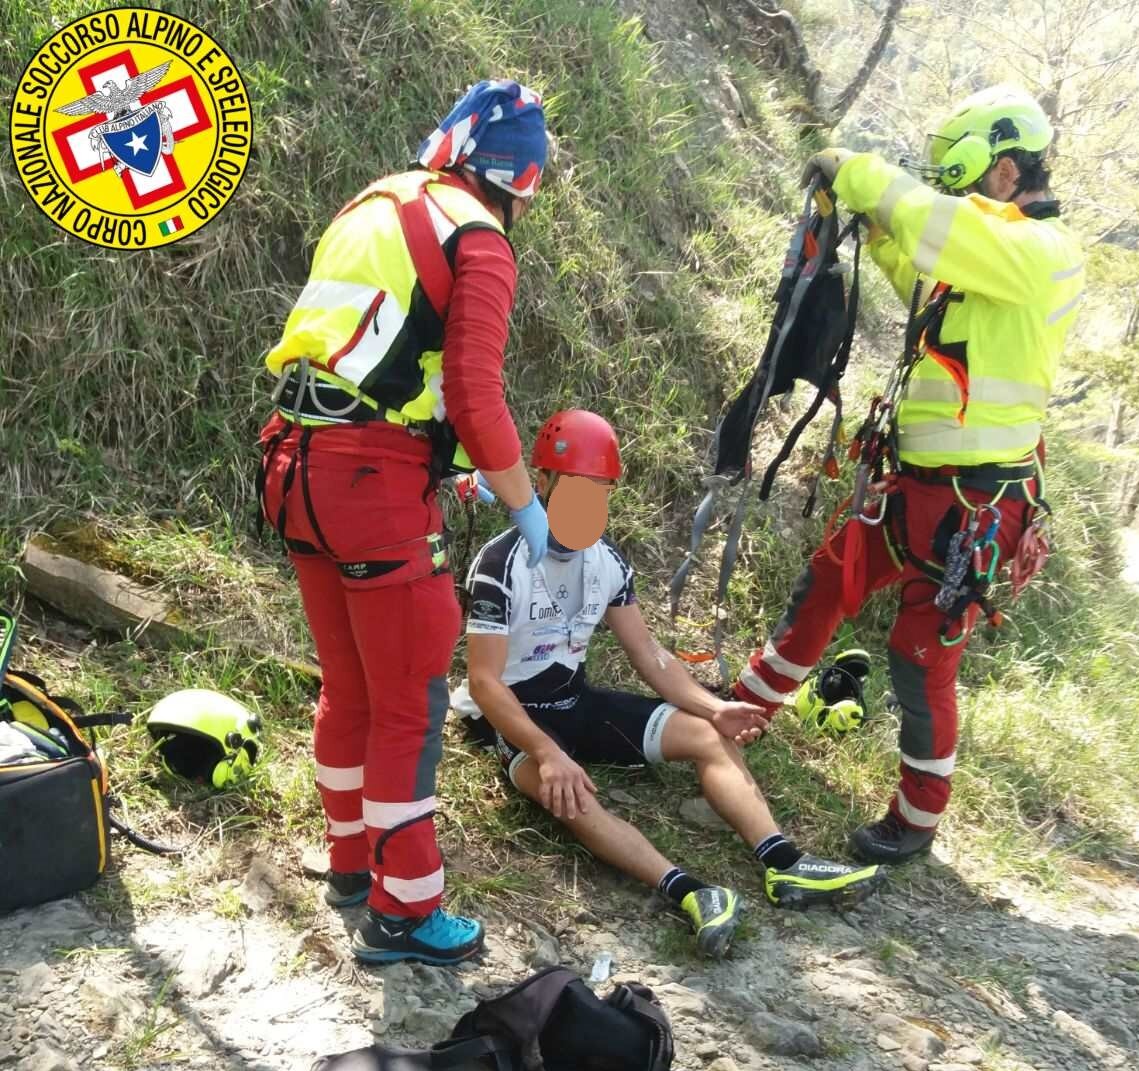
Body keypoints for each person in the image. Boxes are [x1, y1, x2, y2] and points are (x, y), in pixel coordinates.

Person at [734, 86, 1084, 863]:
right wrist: (873, 230)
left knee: (920, 654)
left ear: (1002, 172)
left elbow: (938, 227)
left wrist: (854, 173)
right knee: (825, 586)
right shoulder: (989, 257)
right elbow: (926, 269)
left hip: (977, 506)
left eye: (965, 187)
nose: (960, 203)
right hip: (916, 484)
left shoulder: (1039, 252)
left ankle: (917, 817)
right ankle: (741, 716)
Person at [257, 80, 551, 966]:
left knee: (347, 686)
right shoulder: (480, 234)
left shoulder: (374, 202)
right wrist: (528, 508)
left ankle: (351, 866)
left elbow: (378, 350)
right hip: (369, 482)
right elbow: (474, 390)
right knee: (411, 703)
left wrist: (446, 460)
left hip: (291, 461)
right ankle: (406, 911)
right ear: (521, 174)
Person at [452, 409, 885, 956]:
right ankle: (691, 893)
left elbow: (651, 655)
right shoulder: (500, 562)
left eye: (600, 490)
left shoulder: (607, 561)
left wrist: (712, 708)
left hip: (577, 702)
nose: (587, 503)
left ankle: (785, 864)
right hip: (515, 718)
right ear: (542, 482)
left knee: (709, 736)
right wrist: (544, 750)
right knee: (571, 792)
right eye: (575, 488)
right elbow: (486, 683)